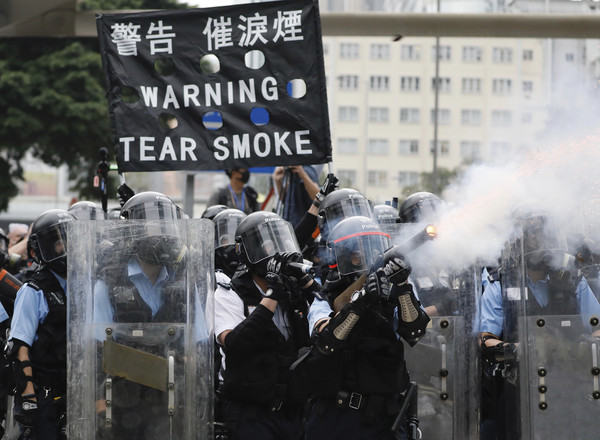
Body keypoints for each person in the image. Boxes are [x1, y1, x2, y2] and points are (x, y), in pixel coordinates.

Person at [297, 215, 430, 440]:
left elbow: (414, 332)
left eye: (373, 248)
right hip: (336, 416)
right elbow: (327, 341)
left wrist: (402, 287)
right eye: (358, 252)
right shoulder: (325, 295)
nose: (367, 256)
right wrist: (360, 302)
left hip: (384, 415)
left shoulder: (399, 284)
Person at [478, 208, 600, 440]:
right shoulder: (500, 283)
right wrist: (518, 350)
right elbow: (485, 339)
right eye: (533, 234)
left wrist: (585, 347)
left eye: (544, 234)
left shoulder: (573, 280)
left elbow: (597, 326)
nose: (540, 242)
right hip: (519, 386)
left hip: (570, 383)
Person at [92, 191, 204, 439]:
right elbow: (96, 348)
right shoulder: (108, 282)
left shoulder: (185, 282)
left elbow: (198, 348)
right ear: (132, 230)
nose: (163, 232)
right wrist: (100, 405)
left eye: (166, 224)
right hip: (121, 401)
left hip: (172, 399)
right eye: (154, 225)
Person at [214, 211, 319, 439]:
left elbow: (326, 319)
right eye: (269, 247)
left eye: (281, 243)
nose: (277, 253)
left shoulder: (292, 291)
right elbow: (234, 344)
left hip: (292, 411)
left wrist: (307, 286)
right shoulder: (229, 293)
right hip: (250, 414)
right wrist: (271, 296)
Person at [5, 209, 75, 440]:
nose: (66, 248)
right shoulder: (33, 291)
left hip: (77, 389)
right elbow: (19, 347)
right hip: (44, 393)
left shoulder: (86, 285)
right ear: (44, 248)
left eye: (70, 240)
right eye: (58, 243)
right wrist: (28, 398)